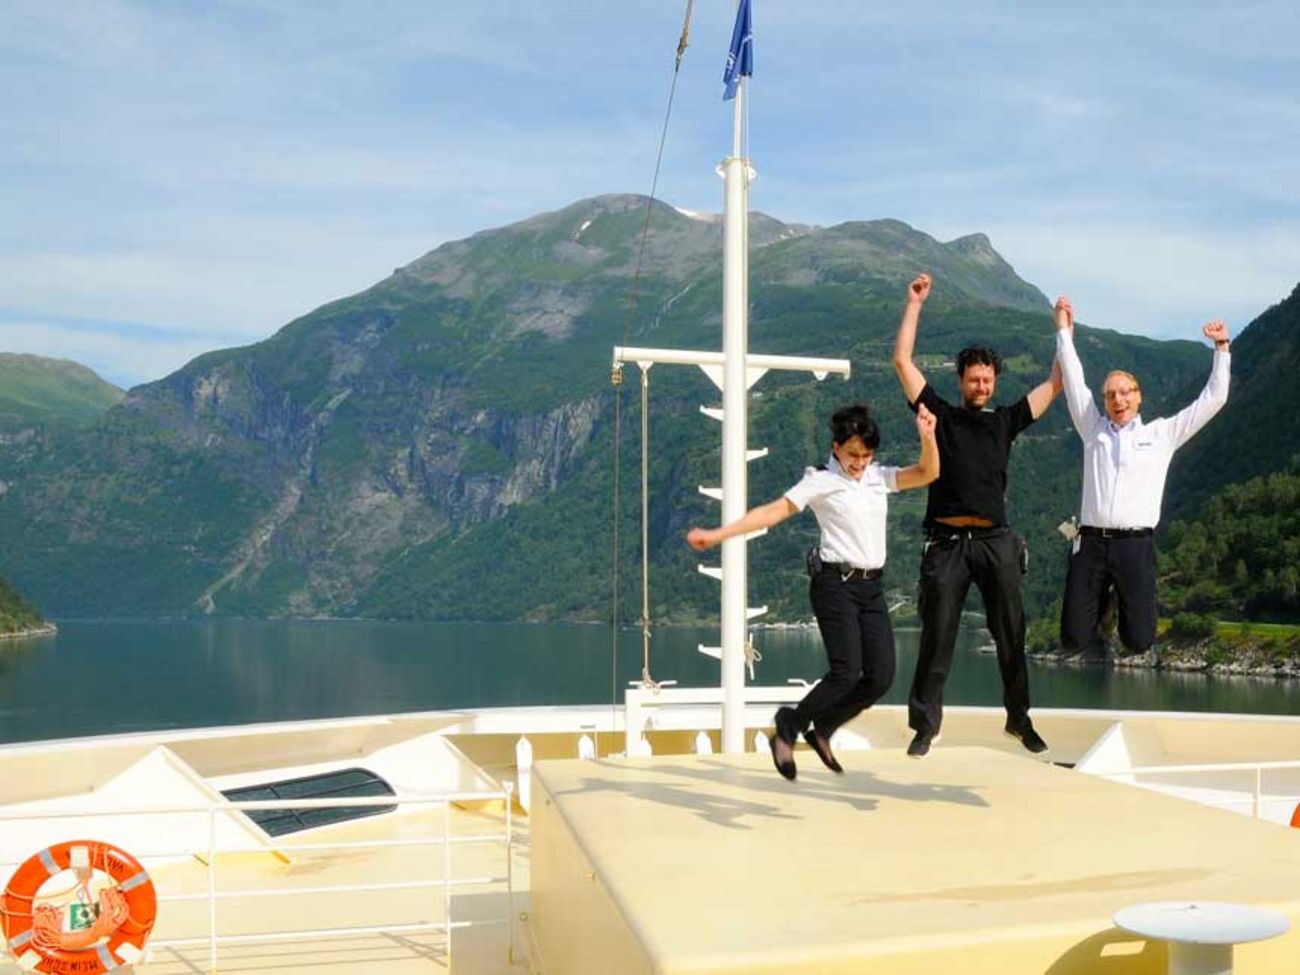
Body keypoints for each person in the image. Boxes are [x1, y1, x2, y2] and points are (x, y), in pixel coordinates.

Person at [686, 402, 939, 780]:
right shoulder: (819, 480)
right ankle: (788, 726)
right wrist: (717, 536)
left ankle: (823, 727)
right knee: (845, 672)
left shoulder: (877, 477)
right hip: (834, 584)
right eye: (853, 454)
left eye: (867, 455)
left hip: (872, 588)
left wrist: (928, 437)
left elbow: (927, 472)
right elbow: (772, 512)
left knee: (881, 677)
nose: (860, 462)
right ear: (836, 447)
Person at [892, 273, 1062, 758]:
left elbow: (1055, 383)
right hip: (946, 544)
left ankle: (1019, 720)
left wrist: (1063, 332)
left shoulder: (1006, 420)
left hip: (996, 541)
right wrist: (913, 305)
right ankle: (925, 726)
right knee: (937, 637)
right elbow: (902, 360)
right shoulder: (941, 414)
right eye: (974, 379)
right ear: (961, 381)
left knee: (1012, 632)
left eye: (988, 379)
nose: (981, 385)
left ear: (995, 382)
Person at [1053, 295, 1231, 657]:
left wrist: (1222, 349)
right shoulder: (1093, 430)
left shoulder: (1162, 435)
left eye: (1125, 392)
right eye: (1110, 395)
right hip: (1090, 543)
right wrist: (1063, 332)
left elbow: (1213, 400)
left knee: (1138, 641)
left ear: (1139, 398)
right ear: (1103, 401)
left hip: (1135, 546)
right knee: (1073, 637)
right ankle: (1103, 604)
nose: (1117, 399)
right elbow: (1074, 383)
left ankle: (1120, 601)